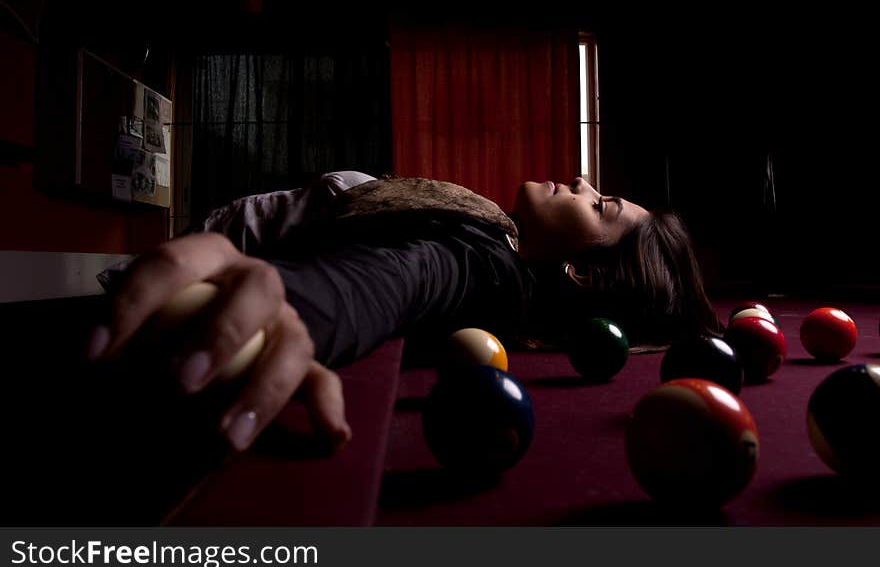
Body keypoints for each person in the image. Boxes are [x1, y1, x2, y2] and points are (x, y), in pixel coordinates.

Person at [86, 171, 722, 453]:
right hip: (208, 254)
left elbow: (405, 278)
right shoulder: (499, 238)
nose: (583, 185)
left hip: (189, 281)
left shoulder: (488, 268)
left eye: (600, 206)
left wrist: (296, 308)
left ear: (580, 271)